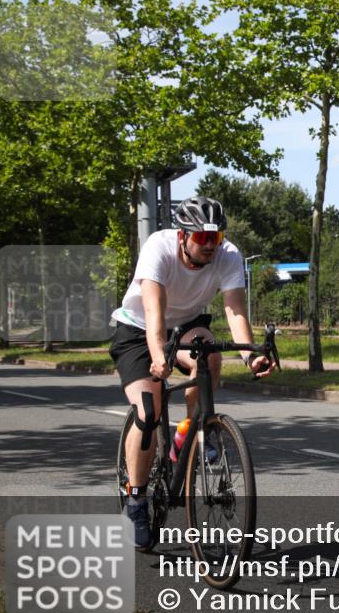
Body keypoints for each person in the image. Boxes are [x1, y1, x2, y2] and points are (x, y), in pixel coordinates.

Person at [109, 196, 275, 549]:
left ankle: (192, 430)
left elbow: (234, 311)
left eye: (216, 238)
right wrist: (157, 357)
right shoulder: (158, 247)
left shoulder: (228, 255)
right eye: (202, 238)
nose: (211, 246)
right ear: (183, 236)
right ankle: (136, 501)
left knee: (209, 355)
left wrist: (250, 356)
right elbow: (154, 311)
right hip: (139, 331)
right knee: (148, 411)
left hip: (186, 326)